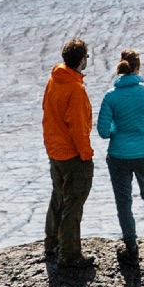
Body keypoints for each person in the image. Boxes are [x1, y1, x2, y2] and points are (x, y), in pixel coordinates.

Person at [95, 48, 144, 263]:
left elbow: (103, 131)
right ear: (138, 67)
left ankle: (131, 246)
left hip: (118, 155)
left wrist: (120, 133)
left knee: (123, 199)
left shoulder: (111, 97)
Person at [41, 38, 96, 270]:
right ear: (81, 60)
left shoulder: (54, 79)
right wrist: (86, 155)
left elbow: (47, 111)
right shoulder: (76, 89)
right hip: (73, 155)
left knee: (58, 197)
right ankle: (70, 254)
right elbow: (79, 128)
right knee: (73, 204)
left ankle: (51, 244)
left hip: (55, 151)